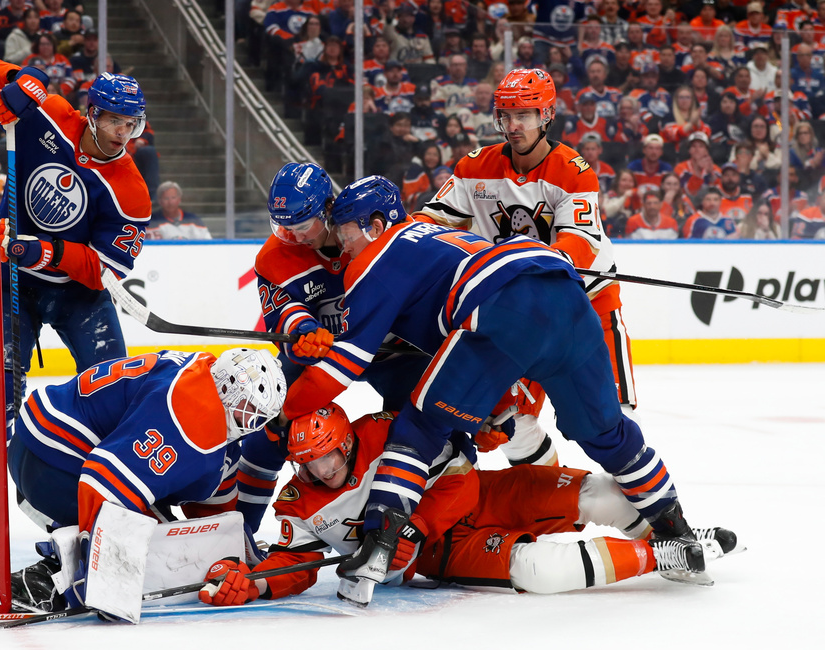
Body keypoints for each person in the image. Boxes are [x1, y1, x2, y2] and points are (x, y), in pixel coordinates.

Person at [282, 174, 704, 590]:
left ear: (375, 225)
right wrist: (487, 407)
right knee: (607, 434)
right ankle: (675, 528)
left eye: (346, 230)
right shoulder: (433, 234)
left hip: (503, 305)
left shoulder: (372, 259)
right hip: (568, 298)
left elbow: (344, 365)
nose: (341, 243)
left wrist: (286, 409)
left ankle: (378, 544)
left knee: (421, 426)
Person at [199, 404, 739, 607]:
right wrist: (260, 583)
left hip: (483, 492)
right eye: (306, 463)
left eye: (325, 457)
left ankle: (676, 541)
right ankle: (659, 559)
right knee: (537, 570)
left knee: (599, 491)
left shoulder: (386, 434)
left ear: (344, 441)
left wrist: (413, 524)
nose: (319, 471)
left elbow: (457, 477)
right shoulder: (296, 500)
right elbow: (296, 562)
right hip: (447, 552)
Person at [0, 58, 152, 530]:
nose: (121, 132)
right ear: (92, 113)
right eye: (112, 120)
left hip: (78, 297)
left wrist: (43, 251)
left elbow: (101, 269)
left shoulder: (131, 191)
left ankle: (113, 490)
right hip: (15, 282)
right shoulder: (49, 116)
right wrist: (23, 85)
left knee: (114, 390)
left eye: (131, 123)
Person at [414, 69, 641, 417]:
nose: (513, 125)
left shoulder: (573, 172)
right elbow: (431, 222)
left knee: (615, 416)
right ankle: (558, 475)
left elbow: (578, 242)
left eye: (523, 115)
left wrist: (528, 268)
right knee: (513, 425)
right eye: (505, 115)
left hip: (587, 301)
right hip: (524, 312)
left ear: (546, 115)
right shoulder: (474, 167)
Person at [6, 348, 287, 613]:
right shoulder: (192, 412)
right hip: (55, 463)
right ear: (225, 388)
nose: (249, 419)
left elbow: (216, 517)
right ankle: (46, 580)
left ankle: (63, 530)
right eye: (245, 407)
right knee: (165, 558)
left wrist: (235, 557)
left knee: (179, 542)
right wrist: (108, 578)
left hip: (38, 445)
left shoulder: (202, 376)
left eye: (257, 414)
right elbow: (103, 483)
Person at [236, 162, 432, 532]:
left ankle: (424, 520)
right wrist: (302, 333)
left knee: (425, 423)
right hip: (323, 353)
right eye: (283, 227)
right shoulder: (273, 257)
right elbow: (282, 313)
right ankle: (239, 531)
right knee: (270, 428)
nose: (291, 237)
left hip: (392, 352)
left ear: (327, 209)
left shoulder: (362, 230)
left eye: (300, 225)